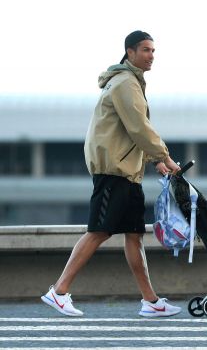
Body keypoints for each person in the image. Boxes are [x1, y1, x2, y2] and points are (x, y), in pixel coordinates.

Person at [41, 30, 183, 318]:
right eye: (145, 50)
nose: (151, 55)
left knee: (134, 235)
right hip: (113, 171)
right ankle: (59, 291)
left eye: (153, 50)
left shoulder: (131, 83)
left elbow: (130, 131)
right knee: (99, 231)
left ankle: (150, 301)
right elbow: (138, 127)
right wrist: (164, 156)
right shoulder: (124, 84)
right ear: (130, 52)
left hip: (128, 173)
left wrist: (153, 161)